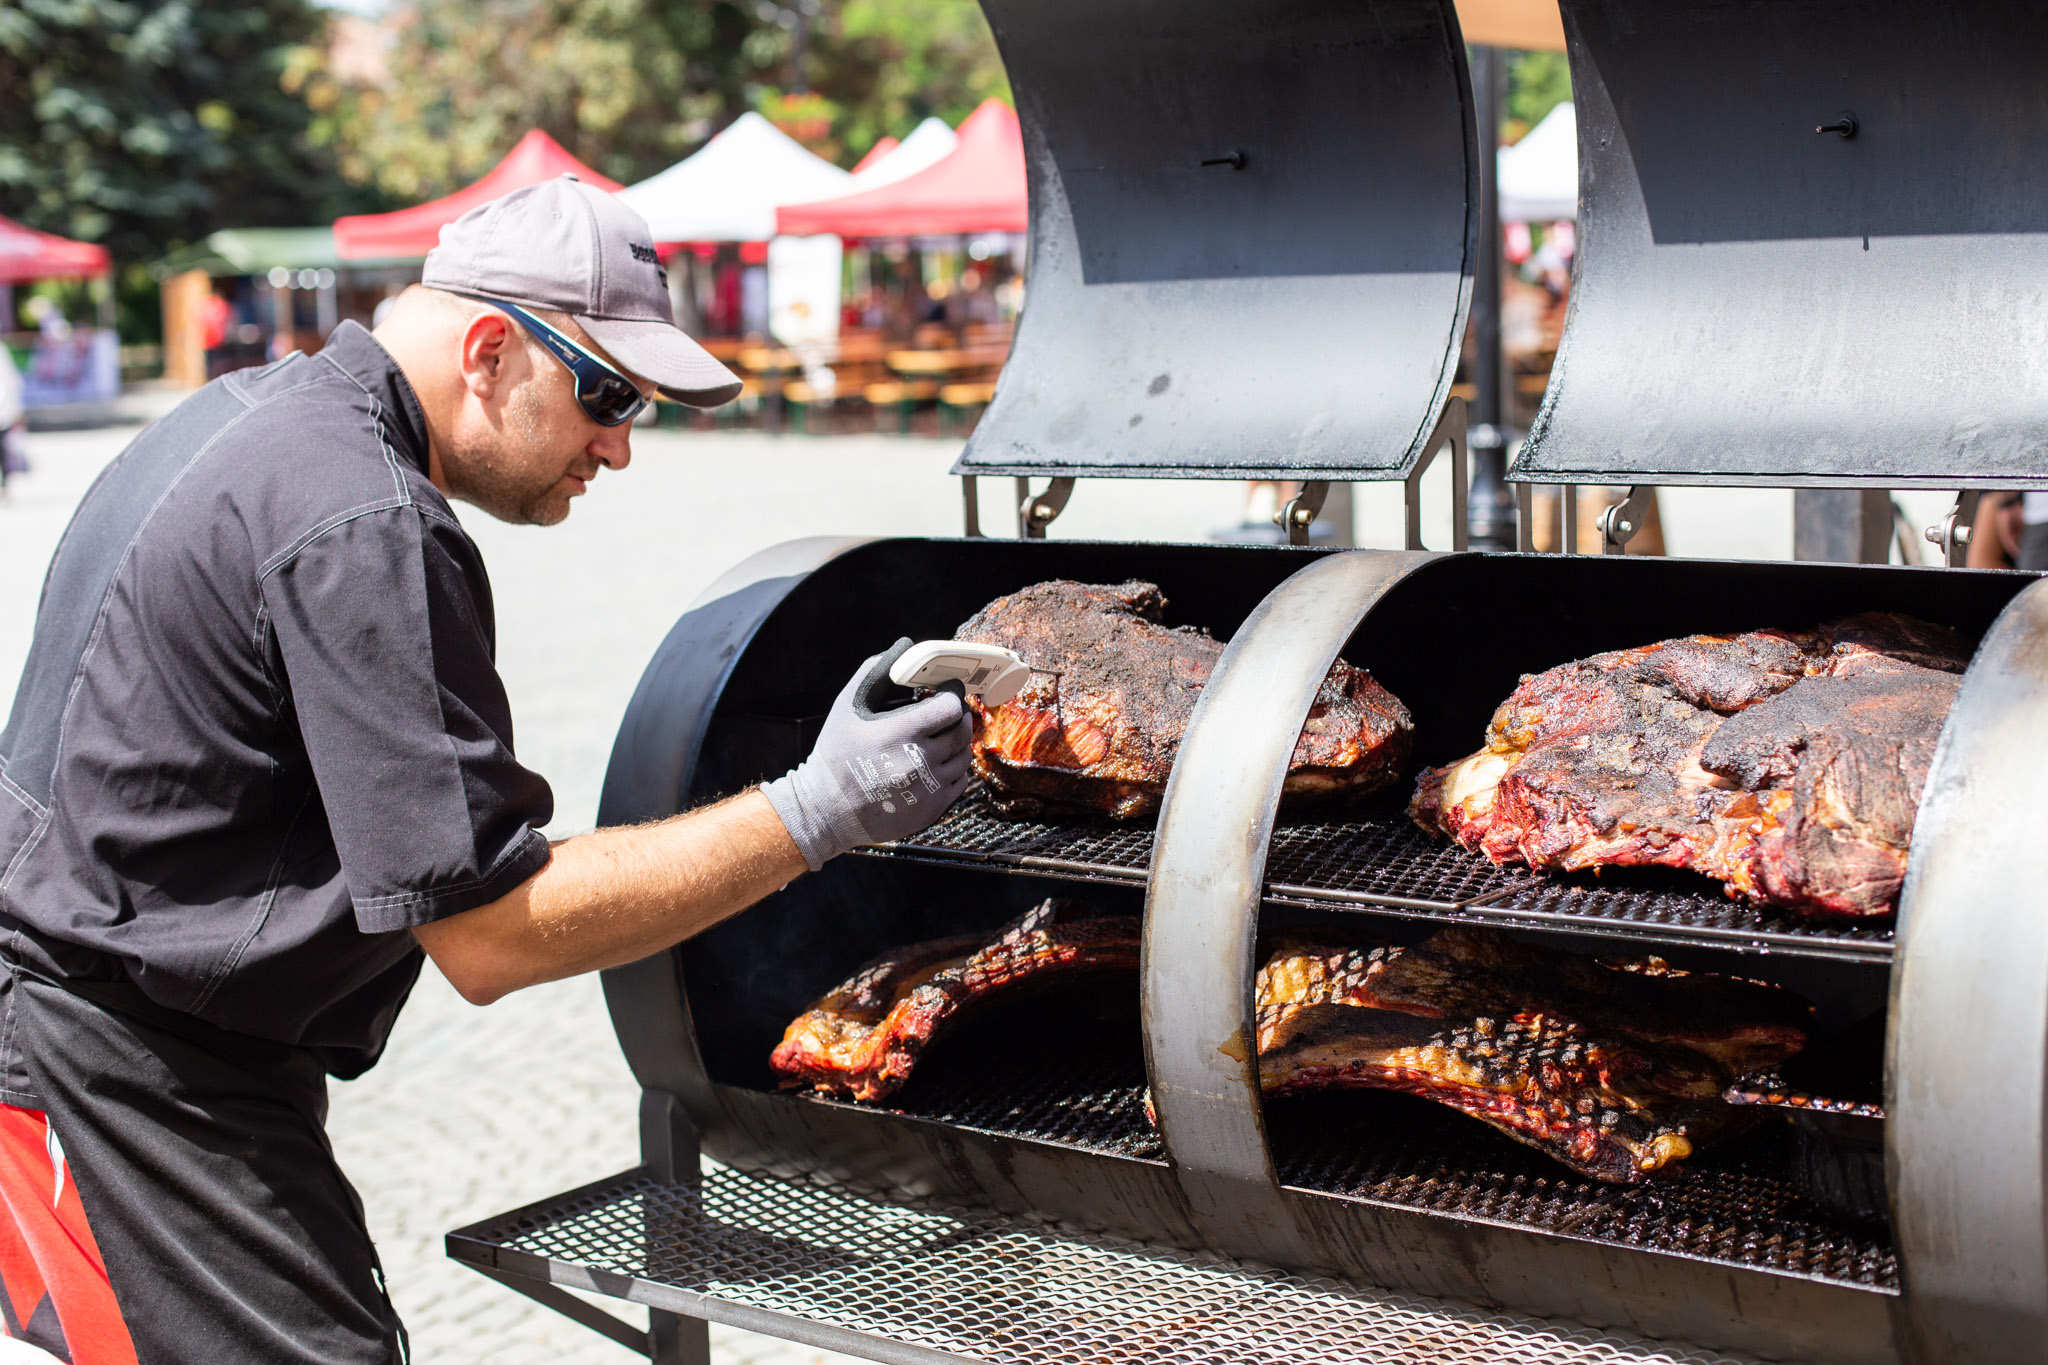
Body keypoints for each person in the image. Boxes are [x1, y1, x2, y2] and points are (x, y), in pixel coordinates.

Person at [0, 176, 971, 1363]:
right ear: (489, 347)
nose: (616, 446)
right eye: (604, 393)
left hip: (112, 1038)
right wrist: (820, 807)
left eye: (642, 409)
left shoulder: (245, 418)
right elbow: (490, 935)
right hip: (119, 1070)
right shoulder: (363, 520)